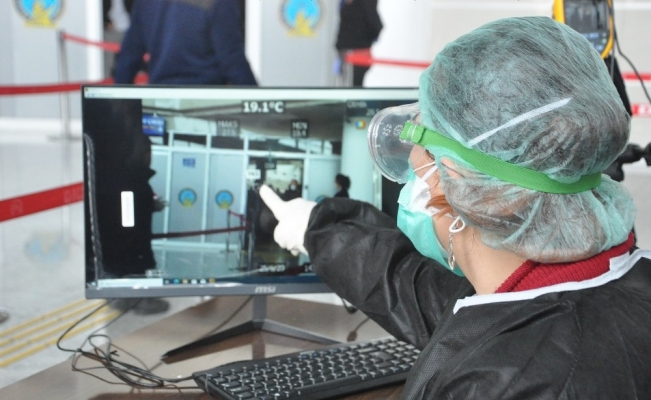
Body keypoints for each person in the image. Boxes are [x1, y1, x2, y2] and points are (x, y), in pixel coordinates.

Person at [259, 17, 651, 399]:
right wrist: (317, 227)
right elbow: (426, 294)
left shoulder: (494, 385)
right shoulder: (605, 286)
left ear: (455, 178)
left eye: (417, 157)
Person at [113, 0, 257, 85]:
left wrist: (119, 108)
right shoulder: (219, 2)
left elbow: (128, 58)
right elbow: (233, 61)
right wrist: (260, 108)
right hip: (205, 102)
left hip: (160, 102)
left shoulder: (147, 3)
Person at [336, 0, 383, 86]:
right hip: (351, 51)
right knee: (351, 85)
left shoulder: (363, 4)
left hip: (355, 53)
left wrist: (364, 41)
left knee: (352, 86)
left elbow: (375, 24)